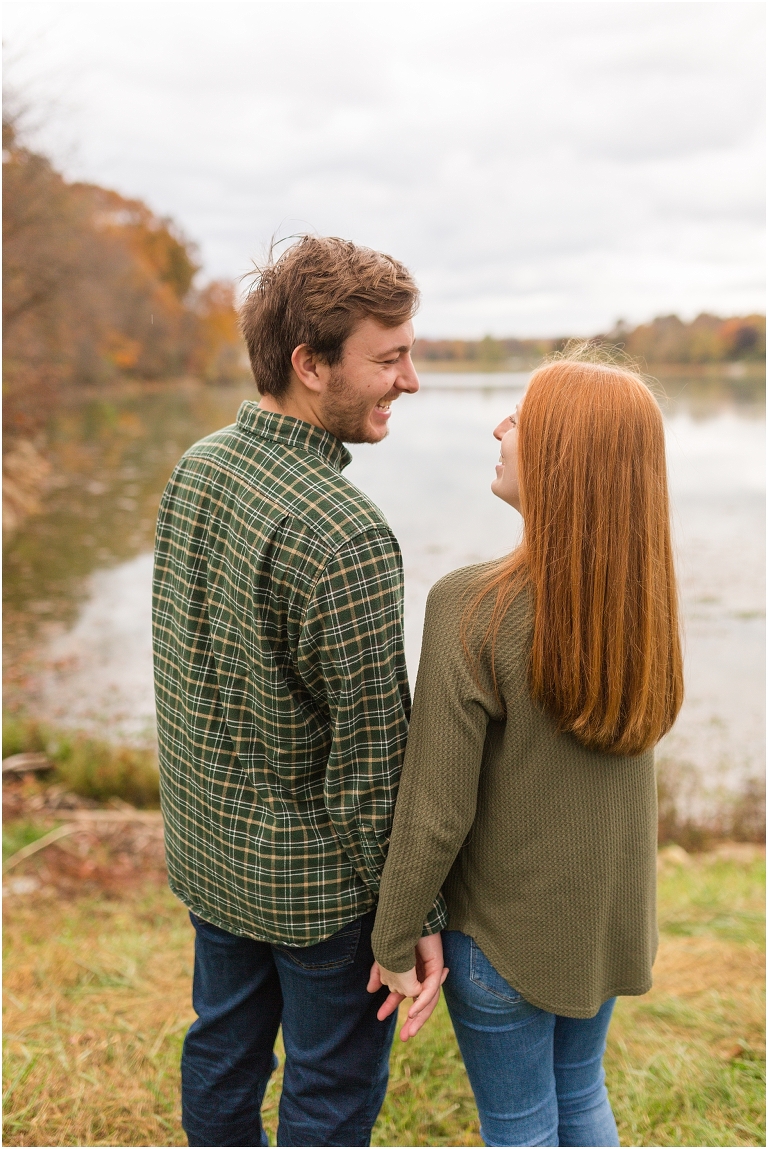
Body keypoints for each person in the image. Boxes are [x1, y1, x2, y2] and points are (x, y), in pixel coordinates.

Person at [152, 235, 445, 1149]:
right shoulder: (345, 532)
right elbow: (372, 768)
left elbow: (183, 674)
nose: (411, 379)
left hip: (209, 857)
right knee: (328, 1087)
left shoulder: (198, 467)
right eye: (389, 357)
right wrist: (413, 920)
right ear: (309, 364)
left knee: (223, 1052)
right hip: (321, 898)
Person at [369, 352, 684, 1147]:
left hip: (500, 943)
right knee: (580, 1097)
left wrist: (393, 934)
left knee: (520, 1125)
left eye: (522, 418)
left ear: (564, 460)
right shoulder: (645, 607)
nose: (500, 428)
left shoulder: (473, 605)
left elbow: (435, 807)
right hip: (602, 928)